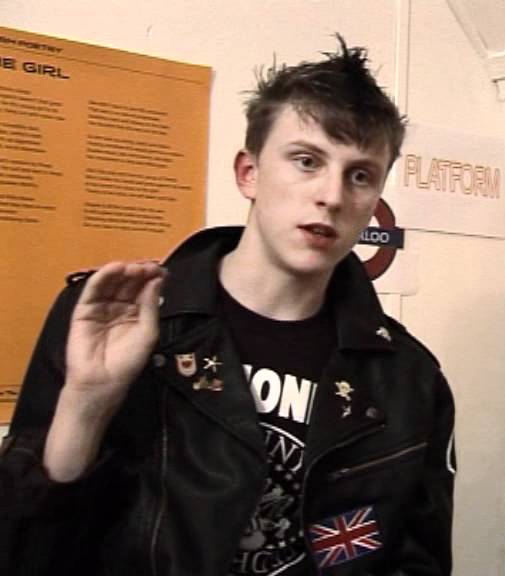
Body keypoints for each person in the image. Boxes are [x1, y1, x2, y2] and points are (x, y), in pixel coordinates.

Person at [0, 36, 456, 576]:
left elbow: (417, 561)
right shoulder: (117, 317)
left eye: (360, 175)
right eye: (306, 161)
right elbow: (24, 551)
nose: (332, 195)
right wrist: (88, 402)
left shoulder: (409, 377)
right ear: (249, 173)